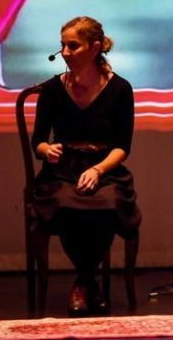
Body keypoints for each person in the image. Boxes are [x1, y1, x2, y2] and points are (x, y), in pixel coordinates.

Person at [31, 16, 141, 316]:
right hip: (63, 168)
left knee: (108, 203)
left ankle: (83, 281)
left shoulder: (120, 88)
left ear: (94, 48)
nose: (65, 52)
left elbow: (122, 146)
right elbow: (38, 140)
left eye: (73, 46)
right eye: (63, 45)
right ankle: (89, 282)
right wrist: (47, 150)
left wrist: (97, 170)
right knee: (67, 203)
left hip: (105, 167)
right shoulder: (53, 89)